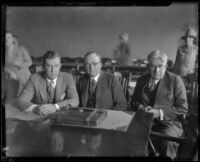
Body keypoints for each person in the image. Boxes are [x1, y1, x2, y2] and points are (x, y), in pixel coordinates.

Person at [130, 50, 188, 159]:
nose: (157, 70)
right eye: (153, 66)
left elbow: (182, 108)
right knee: (128, 136)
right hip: (144, 122)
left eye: (160, 66)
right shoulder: (141, 80)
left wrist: (159, 112)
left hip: (168, 124)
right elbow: (133, 102)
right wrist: (140, 107)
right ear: (148, 67)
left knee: (166, 141)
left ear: (166, 66)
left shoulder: (175, 80)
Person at [14, 51, 79, 115]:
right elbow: (21, 101)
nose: (53, 70)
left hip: (61, 116)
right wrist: (35, 108)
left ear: (60, 66)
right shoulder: (34, 78)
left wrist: (55, 107)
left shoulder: (68, 77)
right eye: (49, 66)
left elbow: (75, 100)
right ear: (43, 67)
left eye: (56, 66)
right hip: (39, 117)